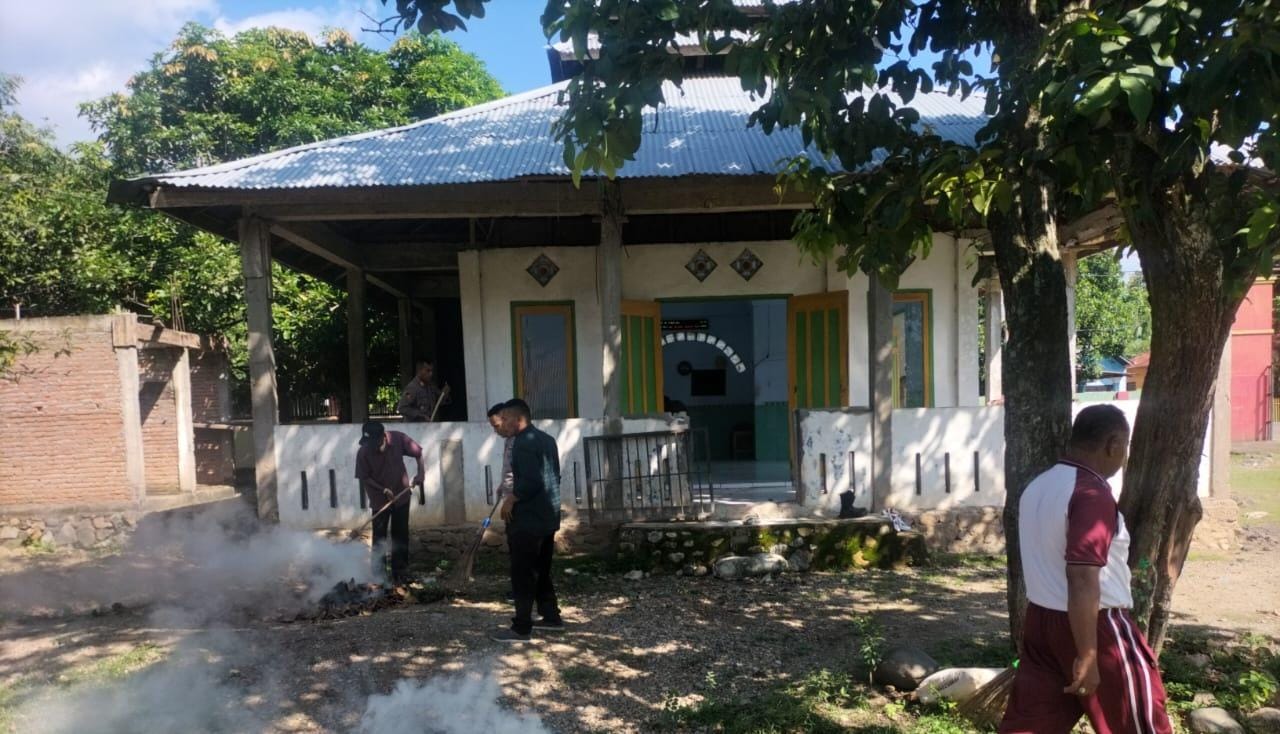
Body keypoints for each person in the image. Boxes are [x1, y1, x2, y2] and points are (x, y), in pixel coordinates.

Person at [1000, 405, 1172, 734]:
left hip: (1041, 623)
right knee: (1140, 722)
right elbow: (1081, 576)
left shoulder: (1038, 487)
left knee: (1031, 724)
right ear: (1113, 444)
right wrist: (1089, 653)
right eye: (1125, 447)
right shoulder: (1091, 493)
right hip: (1094, 625)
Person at [490, 399, 564, 642]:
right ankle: (551, 617)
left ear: (518, 418)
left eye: (505, 418)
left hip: (528, 520)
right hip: (548, 516)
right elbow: (554, 475)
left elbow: (532, 480)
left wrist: (511, 499)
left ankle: (521, 628)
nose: (503, 423)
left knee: (522, 573)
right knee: (541, 569)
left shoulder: (522, 443)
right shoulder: (547, 439)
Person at [354, 421, 425, 584]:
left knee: (400, 534)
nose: (370, 446)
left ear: (382, 437)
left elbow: (418, 453)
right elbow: (364, 477)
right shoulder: (363, 452)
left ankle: (400, 573)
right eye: (368, 443)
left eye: (373, 442)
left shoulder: (398, 439)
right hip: (379, 499)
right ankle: (378, 575)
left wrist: (421, 473)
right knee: (379, 537)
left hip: (401, 495)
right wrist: (383, 490)